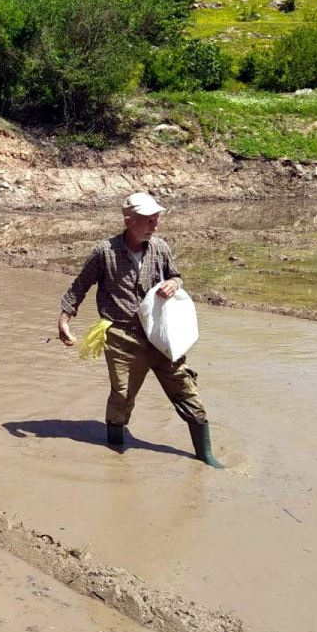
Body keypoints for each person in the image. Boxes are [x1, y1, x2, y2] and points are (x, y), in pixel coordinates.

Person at [57, 191, 222, 469]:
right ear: (128, 220)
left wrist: (175, 284)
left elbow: (175, 275)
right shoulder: (104, 252)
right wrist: (64, 319)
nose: (154, 225)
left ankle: (205, 454)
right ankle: (115, 449)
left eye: (156, 219)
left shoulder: (160, 248)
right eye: (147, 220)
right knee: (121, 396)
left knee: (185, 388)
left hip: (160, 335)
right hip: (121, 337)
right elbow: (79, 286)